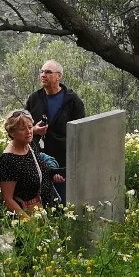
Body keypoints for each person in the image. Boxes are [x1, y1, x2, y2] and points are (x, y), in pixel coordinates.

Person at [24, 59, 85, 202]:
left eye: (48, 72)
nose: (43, 75)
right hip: (38, 159)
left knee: (62, 201)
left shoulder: (73, 101)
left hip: (64, 160)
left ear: (59, 76)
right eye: (42, 71)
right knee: (40, 201)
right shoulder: (34, 99)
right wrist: (34, 130)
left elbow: (81, 132)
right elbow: (21, 127)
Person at [0, 110, 64, 218]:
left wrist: (53, 175)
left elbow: (38, 169)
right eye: (23, 129)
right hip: (28, 216)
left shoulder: (29, 144)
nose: (29, 131)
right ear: (11, 132)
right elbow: (8, 199)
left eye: (30, 127)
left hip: (46, 209)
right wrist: (27, 221)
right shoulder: (8, 160)